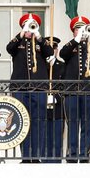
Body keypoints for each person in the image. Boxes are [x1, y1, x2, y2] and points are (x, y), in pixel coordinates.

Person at [7, 14, 59, 162]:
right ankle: (25, 156)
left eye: (32, 26)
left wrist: (40, 37)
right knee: (22, 121)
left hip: (39, 87)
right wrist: (22, 33)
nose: (30, 29)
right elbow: (9, 48)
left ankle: (36, 156)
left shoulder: (41, 44)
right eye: (28, 25)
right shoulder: (18, 43)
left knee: (39, 121)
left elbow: (50, 53)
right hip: (20, 88)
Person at [58, 16, 90, 162]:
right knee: (72, 123)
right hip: (71, 91)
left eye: (82, 28)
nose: (80, 31)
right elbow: (63, 54)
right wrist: (77, 39)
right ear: (73, 31)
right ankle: (72, 155)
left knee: (87, 123)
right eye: (77, 29)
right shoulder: (71, 45)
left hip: (89, 91)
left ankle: (84, 154)